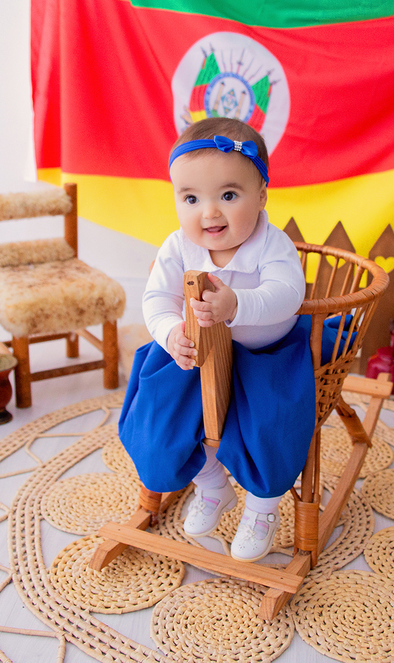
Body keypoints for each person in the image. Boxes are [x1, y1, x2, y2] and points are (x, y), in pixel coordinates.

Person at [118, 117, 317, 563]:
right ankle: (211, 484)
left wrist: (237, 305)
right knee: (158, 419)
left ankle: (263, 507)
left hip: (264, 354)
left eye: (228, 195)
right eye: (191, 198)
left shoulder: (272, 244)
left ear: (261, 195)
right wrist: (171, 333)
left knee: (271, 425)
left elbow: (288, 294)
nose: (209, 213)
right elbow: (157, 299)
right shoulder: (178, 246)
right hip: (195, 352)